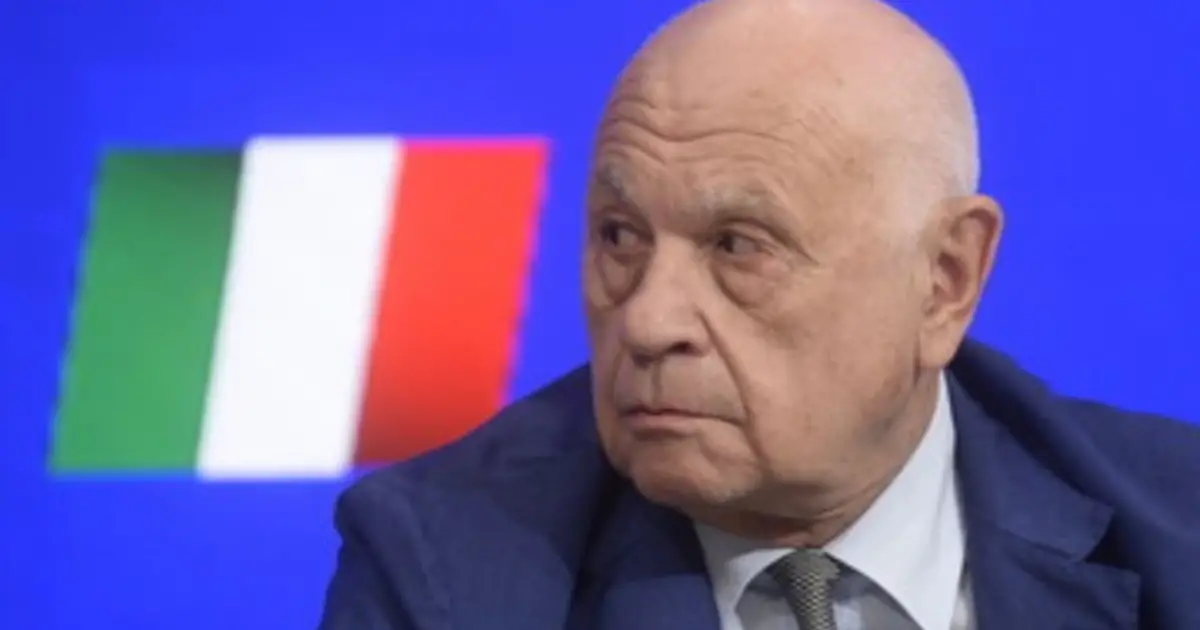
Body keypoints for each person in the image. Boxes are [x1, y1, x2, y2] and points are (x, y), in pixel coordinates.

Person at [318, 0, 1200, 628]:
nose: (649, 322)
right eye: (620, 236)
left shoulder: (1178, 527)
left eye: (738, 246)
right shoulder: (446, 570)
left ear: (944, 278)